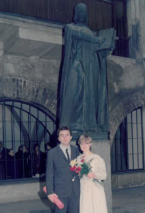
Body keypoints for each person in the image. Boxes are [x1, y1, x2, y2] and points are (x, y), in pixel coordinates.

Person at [59, 3, 115, 132]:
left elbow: (98, 51)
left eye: (85, 11)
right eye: (80, 11)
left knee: (91, 95)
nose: (83, 13)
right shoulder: (70, 27)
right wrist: (96, 40)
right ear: (76, 15)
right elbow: (78, 33)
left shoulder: (92, 33)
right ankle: (74, 125)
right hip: (78, 64)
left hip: (92, 67)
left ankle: (90, 125)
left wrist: (106, 49)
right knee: (75, 92)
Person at [46, 126, 80, 213]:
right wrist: (50, 192)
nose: (65, 137)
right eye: (62, 135)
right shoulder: (52, 153)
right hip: (59, 192)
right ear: (58, 138)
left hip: (74, 191)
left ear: (71, 137)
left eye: (67, 134)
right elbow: (49, 174)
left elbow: (79, 169)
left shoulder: (76, 150)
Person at [78, 135, 110, 213]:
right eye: (82, 143)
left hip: (95, 190)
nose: (84, 146)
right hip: (84, 189)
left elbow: (104, 175)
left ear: (90, 144)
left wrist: (94, 174)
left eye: (86, 143)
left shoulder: (97, 158)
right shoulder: (78, 159)